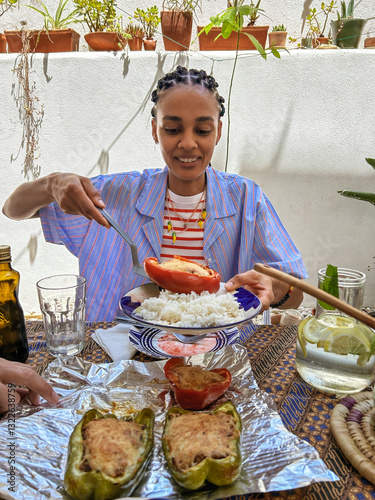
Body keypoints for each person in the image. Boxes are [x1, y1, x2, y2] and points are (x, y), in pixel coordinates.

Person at [3, 66, 307, 322]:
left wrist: (275, 287)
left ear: (218, 131)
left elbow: (296, 292)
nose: (188, 143)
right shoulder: (111, 194)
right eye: (173, 130)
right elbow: (12, 209)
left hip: (217, 355)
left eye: (202, 131)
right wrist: (51, 184)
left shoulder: (245, 198)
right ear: (154, 130)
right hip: (121, 353)